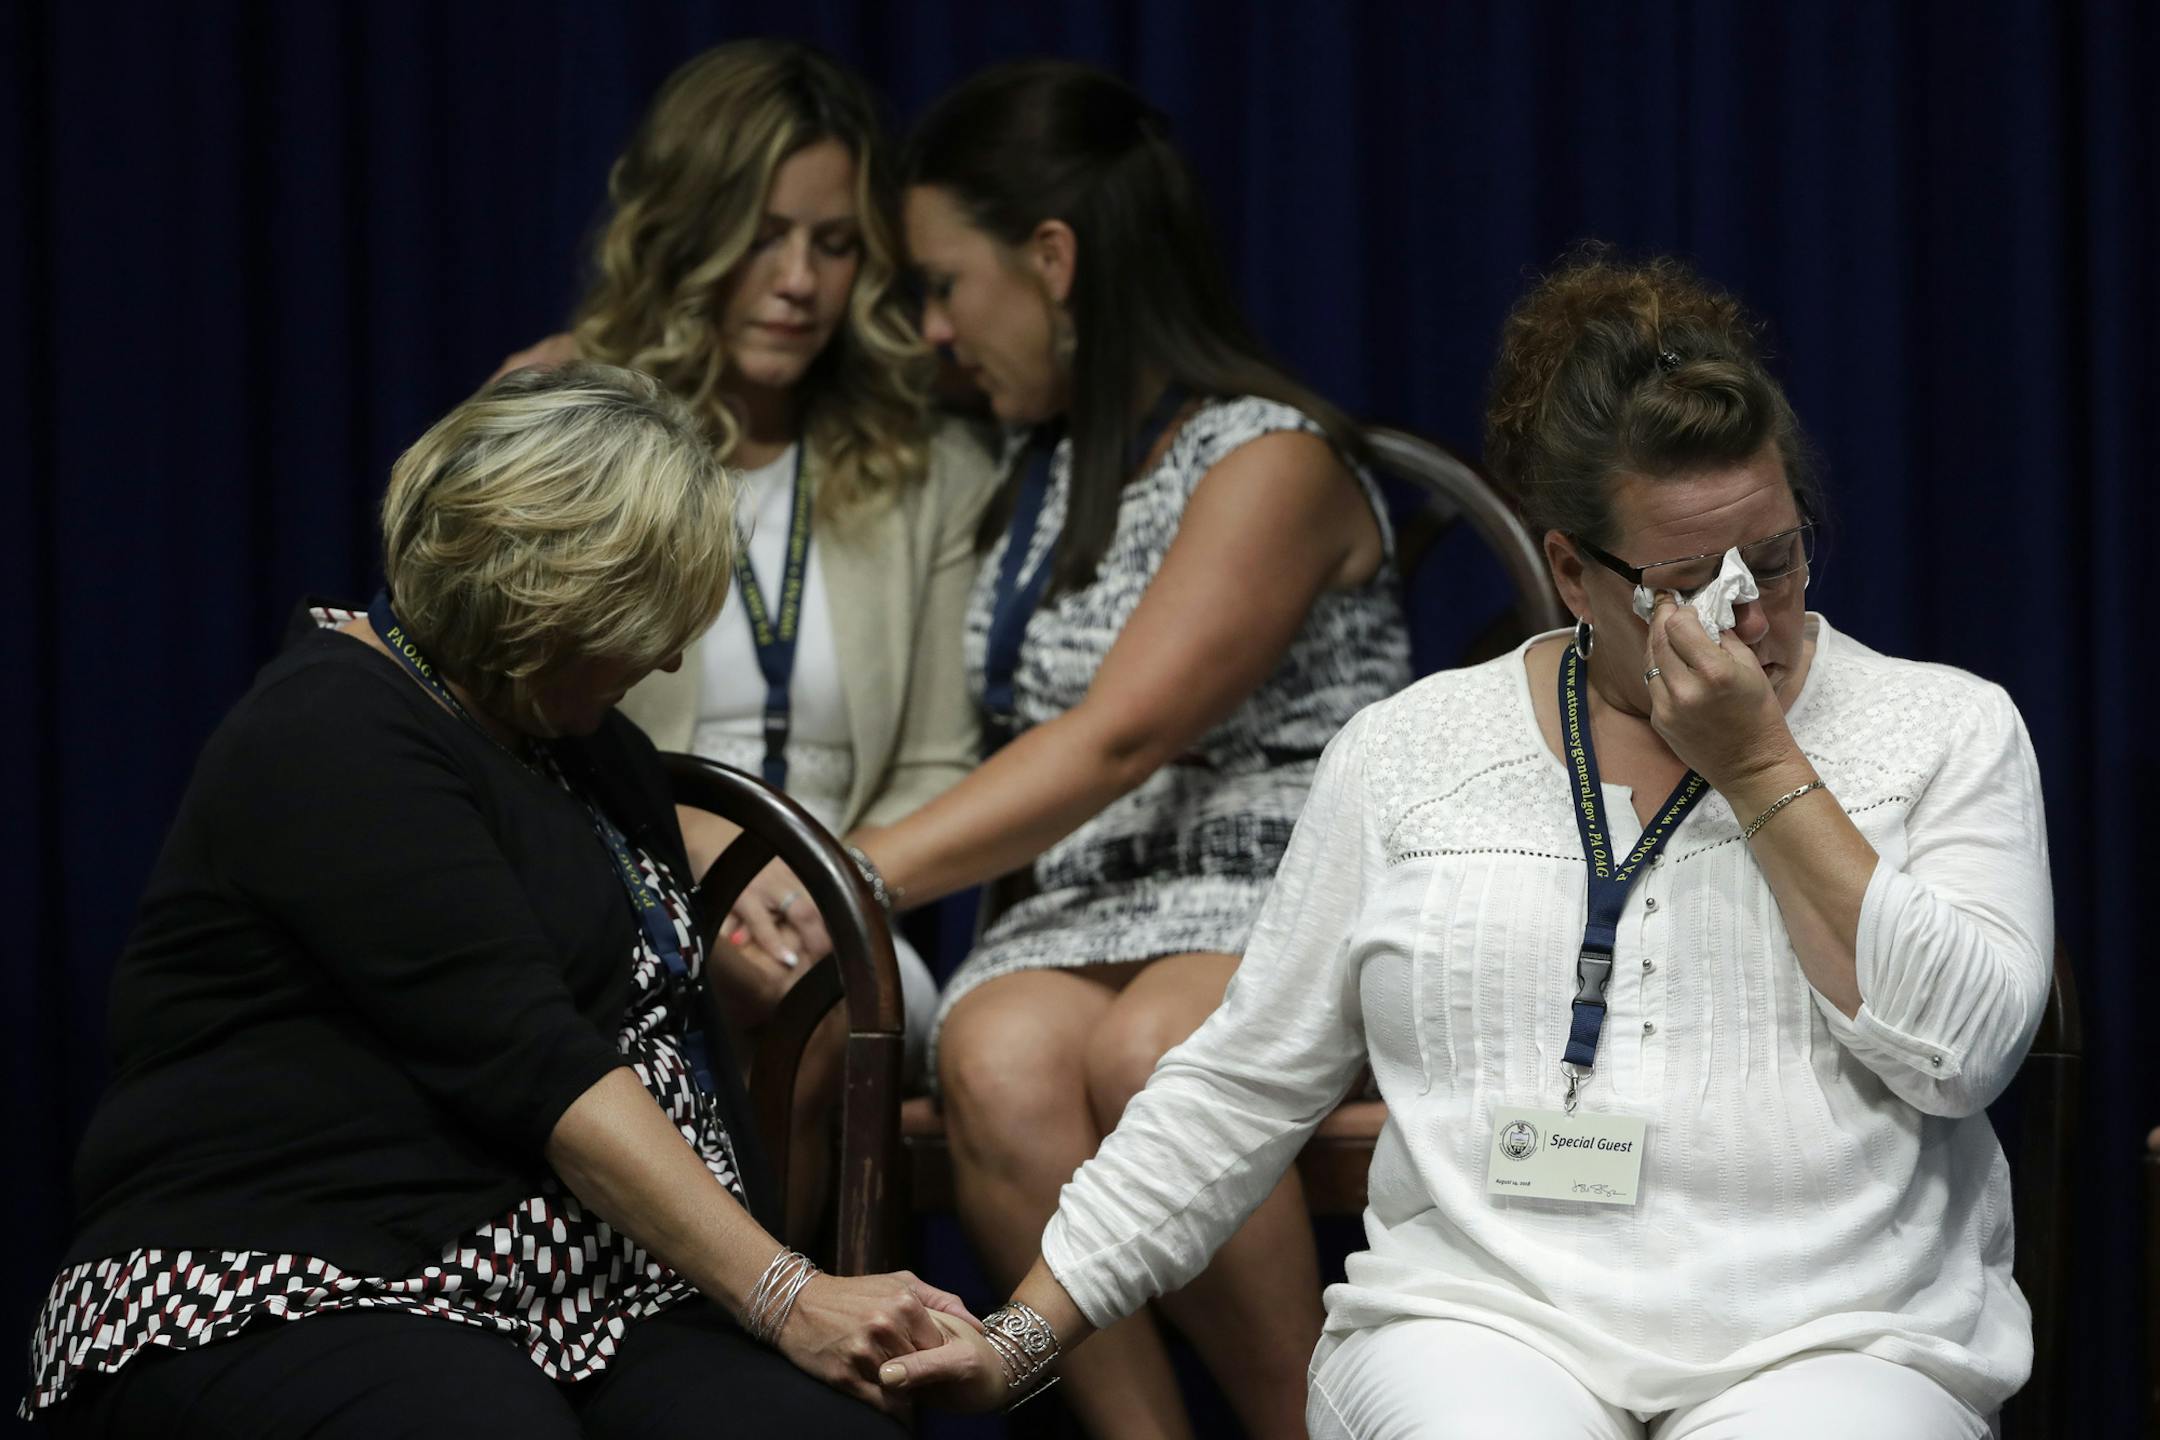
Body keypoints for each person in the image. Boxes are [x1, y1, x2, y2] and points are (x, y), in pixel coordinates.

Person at [877, 252, 2054, 1440]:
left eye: (1780, 556)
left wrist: (1761, 767)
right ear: (1571, 573)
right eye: (1690, 580)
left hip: (1840, 1337)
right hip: (1484, 1325)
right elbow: (1238, 1084)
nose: (1748, 615)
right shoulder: (1411, 753)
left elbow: (1963, 1050)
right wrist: (1020, 1335)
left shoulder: (1944, 728)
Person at [22, 365, 967, 1437]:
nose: (667, 655)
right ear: (544, 592)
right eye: (647, 620)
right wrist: (787, 1293)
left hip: (583, 1298)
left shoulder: (580, 745)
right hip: (301, 1270)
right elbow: (540, 1067)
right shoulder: (333, 732)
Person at [751, 60, 1411, 1439]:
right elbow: (777, 388)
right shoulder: (1019, 469)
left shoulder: (1269, 459)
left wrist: (838, 873)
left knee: (1160, 1050)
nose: (929, 329)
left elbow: (1121, 736)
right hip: (1081, 911)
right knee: (993, 1051)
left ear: (1051, 259)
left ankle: (1309, 1427)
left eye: (944, 284)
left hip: (1274, 898)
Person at [495, 39, 1000, 1103]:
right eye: (762, 237)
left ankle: (784, 1282)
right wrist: (692, 889)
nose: (799, 284)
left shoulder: (934, 462)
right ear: (687, 232)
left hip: (840, 914)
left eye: (834, 244)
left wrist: (823, 889)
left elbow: (940, 762)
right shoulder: (565, 415)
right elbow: (507, 730)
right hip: (615, 882)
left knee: (817, 1004)